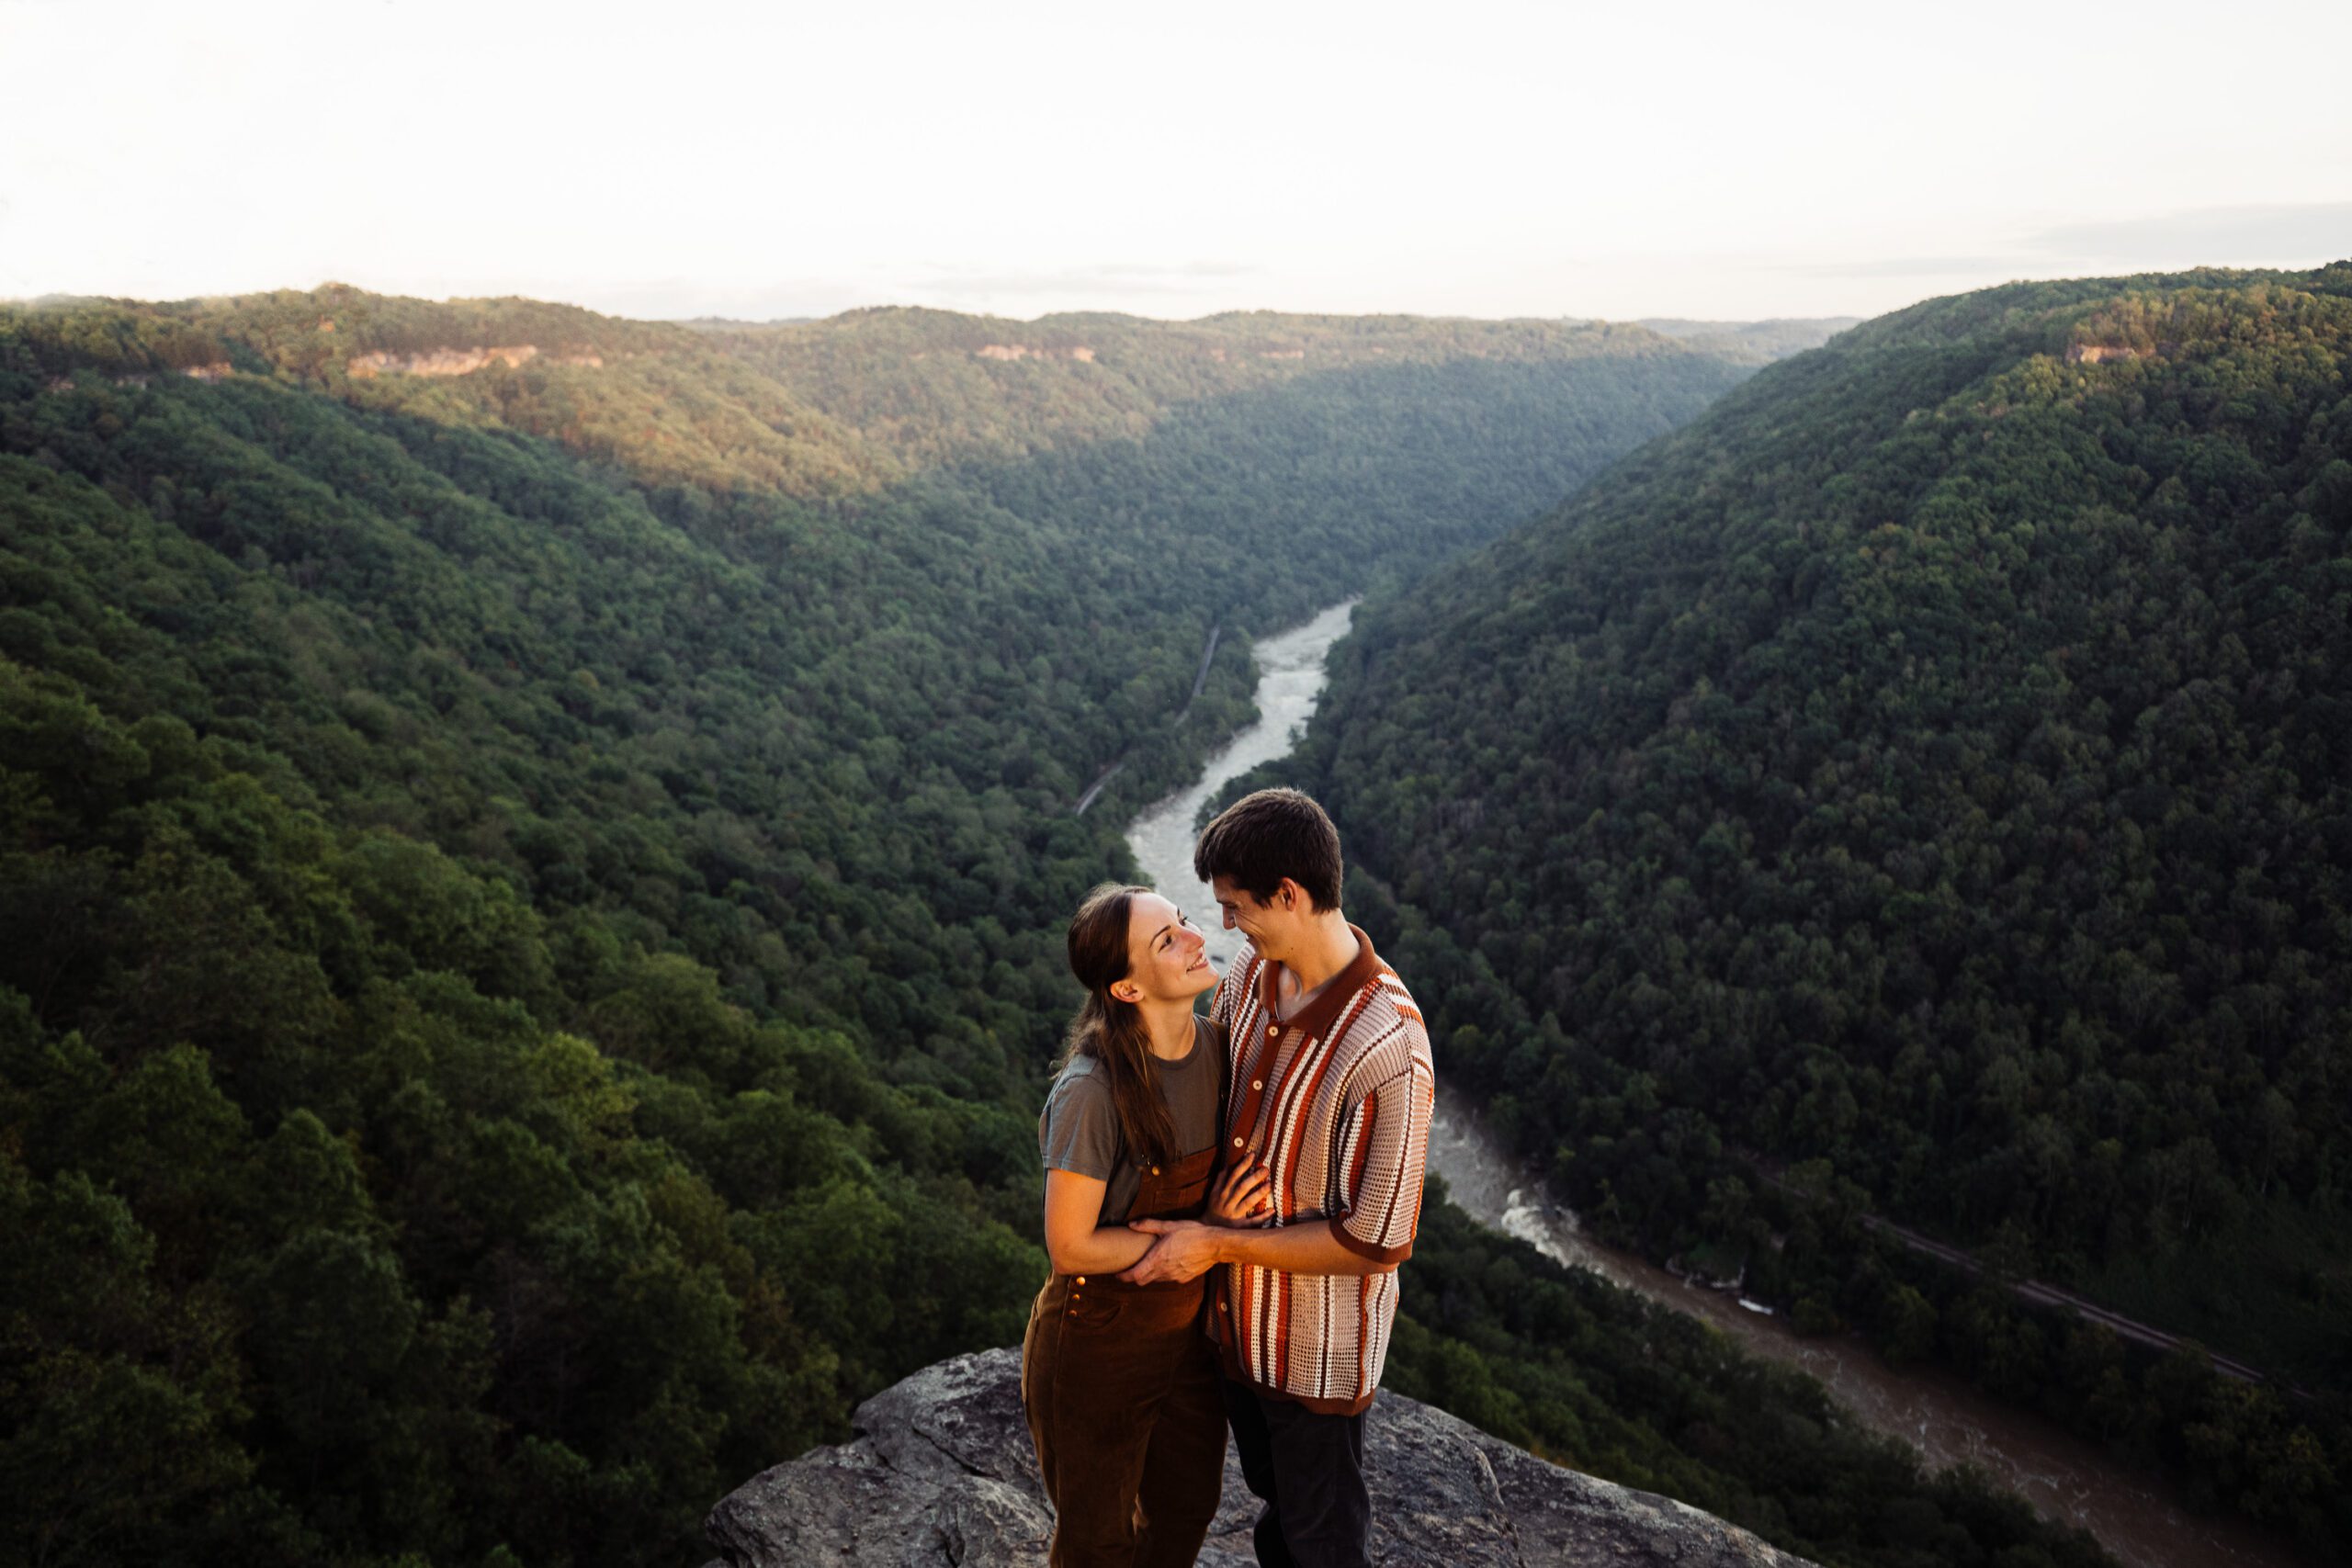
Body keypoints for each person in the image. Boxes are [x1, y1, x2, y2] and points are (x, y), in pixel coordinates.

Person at [1120, 788, 1434, 1568]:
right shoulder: (1252, 975)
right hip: (1235, 1338)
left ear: (1289, 895)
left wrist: (1219, 1244)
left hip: (1314, 1356)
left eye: (1235, 907)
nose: (1225, 925)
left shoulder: (1389, 1043)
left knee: (1322, 1544)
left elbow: (1375, 1243)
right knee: (1275, 1515)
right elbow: (1207, 1096)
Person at [1023, 882, 1275, 1567]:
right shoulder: (1091, 1090)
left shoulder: (1222, 1050)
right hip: (1094, 1345)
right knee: (1097, 1542)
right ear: (1128, 988)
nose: (1197, 936)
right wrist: (1194, 1238)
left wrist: (1211, 1233)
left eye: (1186, 921)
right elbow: (1070, 1243)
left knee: (1186, 1510)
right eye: (1168, 939)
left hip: (1189, 1340)